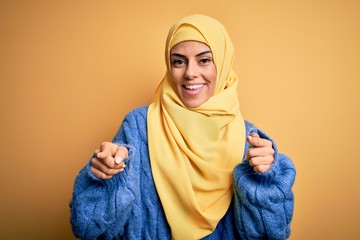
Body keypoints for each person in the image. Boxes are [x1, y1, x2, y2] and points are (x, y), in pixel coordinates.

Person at [70, 14, 296, 240]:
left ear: (224, 63)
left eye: (204, 60)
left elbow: (272, 235)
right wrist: (106, 175)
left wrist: (265, 180)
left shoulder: (250, 141)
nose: (190, 72)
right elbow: (88, 228)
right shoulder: (139, 126)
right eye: (179, 61)